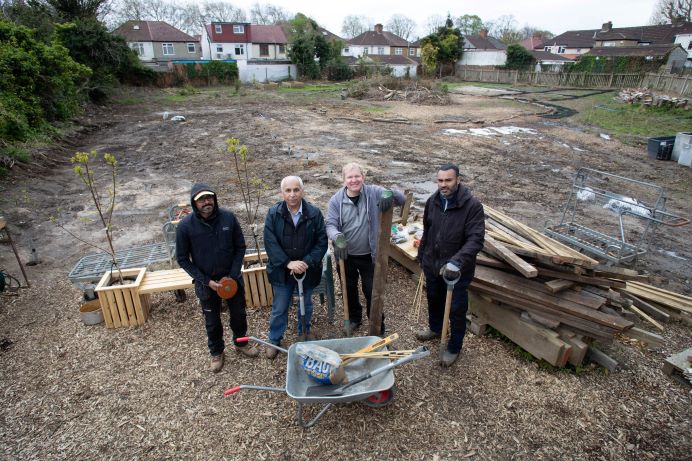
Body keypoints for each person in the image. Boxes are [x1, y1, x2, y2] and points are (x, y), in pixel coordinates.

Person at [176, 183, 259, 373]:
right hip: (207, 283)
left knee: (238, 314)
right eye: (201, 199)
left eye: (209, 198)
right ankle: (216, 351)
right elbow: (182, 258)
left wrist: (232, 274)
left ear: (214, 199)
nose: (206, 202)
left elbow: (240, 247)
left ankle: (241, 342)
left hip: (231, 279)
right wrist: (206, 280)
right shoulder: (185, 227)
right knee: (212, 320)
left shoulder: (228, 218)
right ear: (194, 203)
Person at [415, 164, 485, 367]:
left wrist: (456, 261)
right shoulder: (433, 201)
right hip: (433, 265)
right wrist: (422, 256)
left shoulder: (471, 206)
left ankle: (454, 347)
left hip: (457, 272)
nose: (443, 185)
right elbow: (427, 232)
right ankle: (436, 328)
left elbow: (476, 240)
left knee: (456, 309)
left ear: (458, 180)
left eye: (448, 180)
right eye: (440, 181)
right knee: (434, 298)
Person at [326, 163, 405, 335]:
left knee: (372, 292)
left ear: (363, 177)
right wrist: (337, 237)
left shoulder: (373, 192)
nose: (354, 180)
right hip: (345, 255)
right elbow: (330, 224)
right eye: (350, 177)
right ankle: (355, 318)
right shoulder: (336, 200)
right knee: (349, 289)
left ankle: (377, 326)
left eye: (357, 176)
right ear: (343, 180)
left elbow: (401, 199)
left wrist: (390, 193)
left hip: (370, 256)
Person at [263, 176, 328, 359]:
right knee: (279, 307)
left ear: (302, 191)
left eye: (296, 190)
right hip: (282, 272)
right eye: (288, 191)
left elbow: (321, 242)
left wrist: (306, 262)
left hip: (306, 272)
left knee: (305, 305)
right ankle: (274, 339)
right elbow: (270, 242)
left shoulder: (314, 214)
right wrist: (287, 263)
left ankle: (304, 332)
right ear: (282, 193)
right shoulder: (274, 213)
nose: (292, 194)